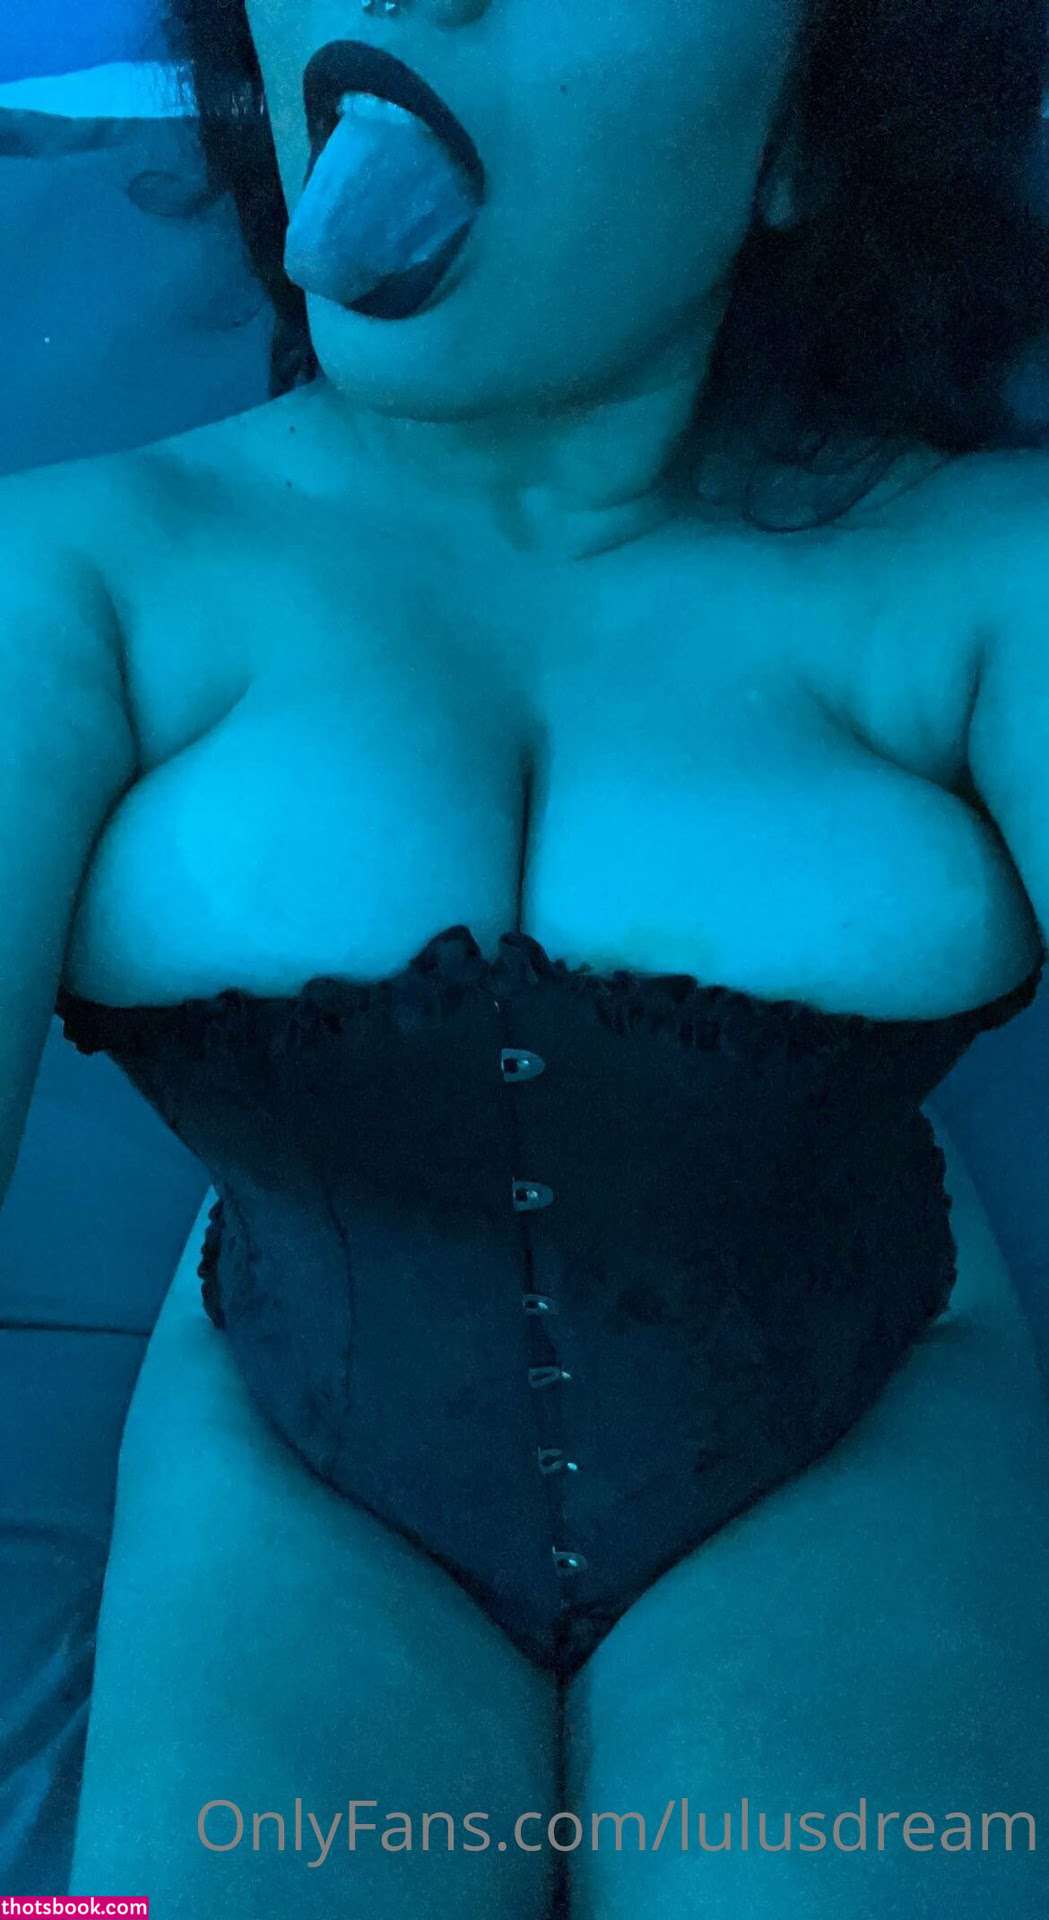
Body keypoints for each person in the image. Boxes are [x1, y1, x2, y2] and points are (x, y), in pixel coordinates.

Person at [2, 0, 1047, 1914]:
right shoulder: (67, 576)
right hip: (286, 1429)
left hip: (860, 1407)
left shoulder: (994, 572)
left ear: (811, 127)